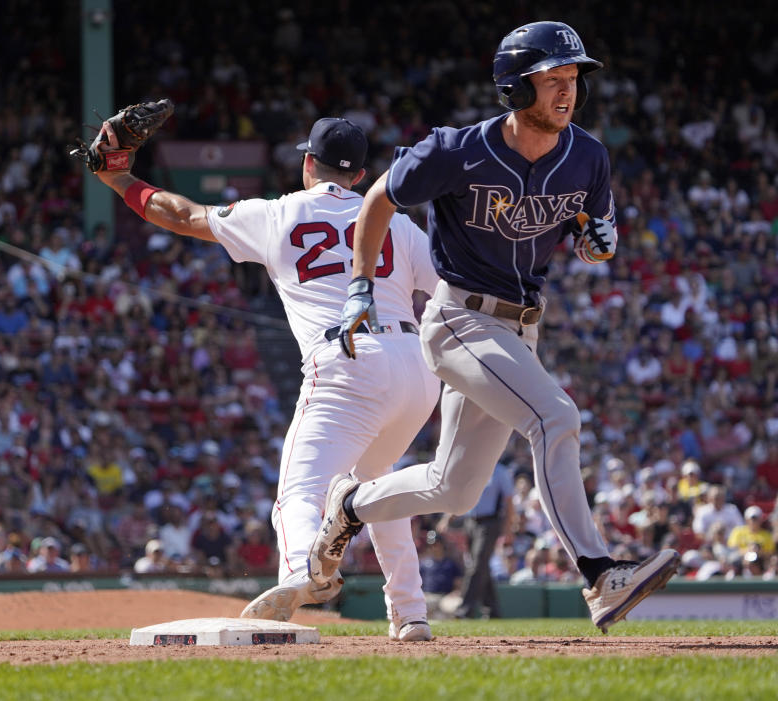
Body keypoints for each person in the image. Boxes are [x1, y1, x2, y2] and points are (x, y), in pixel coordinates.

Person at [306, 20, 680, 633]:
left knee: (454, 490)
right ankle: (600, 574)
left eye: (572, 80)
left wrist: (599, 244)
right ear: (513, 89)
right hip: (459, 318)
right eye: (551, 80)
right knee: (556, 417)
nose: (566, 92)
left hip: (520, 329)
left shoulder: (587, 155)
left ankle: (349, 504)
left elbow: (596, 234)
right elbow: (377, 201)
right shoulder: (457, 151)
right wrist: (359, 287)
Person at [91, 117, 441, 641]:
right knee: (378, 483)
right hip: (414, 366)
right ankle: (410, 612)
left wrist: (120, 180)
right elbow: (446, 293)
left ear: (307, 164)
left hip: (346, 356)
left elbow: (183, 214)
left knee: (298, 494)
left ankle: (304, 571)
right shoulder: (396, 219)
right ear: (361, 174)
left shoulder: (278, 213)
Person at [453, 462, 514, 619]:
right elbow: (462, 497)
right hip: (470, 522)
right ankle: (492, 611)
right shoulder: (474, 469)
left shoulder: (500, 471)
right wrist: (448, 517)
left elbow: (509, 502)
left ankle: (464, 610)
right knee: (481, 567)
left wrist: (508, 529)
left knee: (477, 565)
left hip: (490, 523)